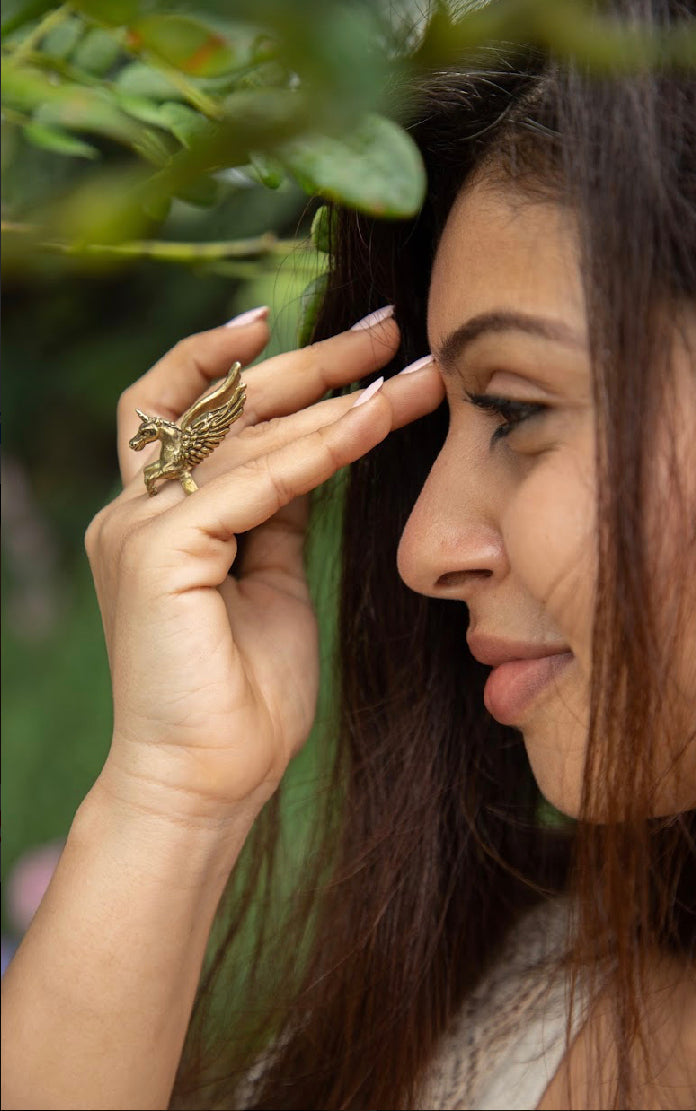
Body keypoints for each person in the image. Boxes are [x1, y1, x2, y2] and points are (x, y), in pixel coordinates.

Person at [2, 2, 695, 1108]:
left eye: (514, 410)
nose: (420, 552)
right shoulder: (485, 1010)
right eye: (435, 431)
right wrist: (172, 797)